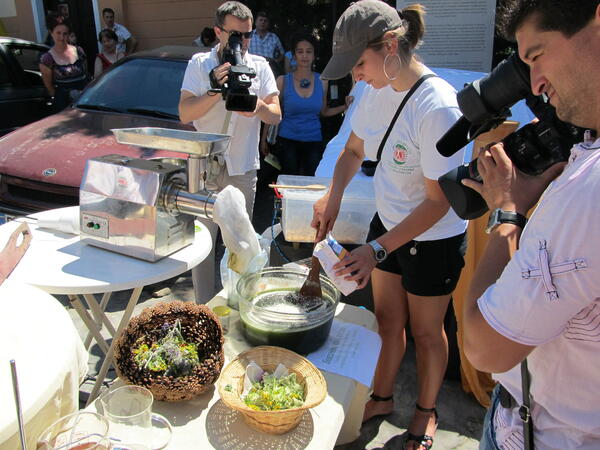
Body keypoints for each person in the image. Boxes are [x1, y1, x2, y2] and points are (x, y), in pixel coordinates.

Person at [311, 2, 467, 449]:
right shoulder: (375, 90)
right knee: (386, 320)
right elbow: (353, 152)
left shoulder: (438, 108)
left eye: (359, 63)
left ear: (391, 46)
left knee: (425, 332)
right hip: (389, 224)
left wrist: (376, 249)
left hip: (433, 237)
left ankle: (425, 410)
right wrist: (333, 196)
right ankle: (381, 398)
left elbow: (439, 204)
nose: (356, 76)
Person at [461, 1, 600, 448]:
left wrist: (506, 212)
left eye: (537, 55)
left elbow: (483, 347)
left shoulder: (588, 193)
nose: (536, 84)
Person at [178, 0, 281, 303]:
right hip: (204, 167)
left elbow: (275, 115)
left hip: (242, 166)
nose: (242, 42)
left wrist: (256, 105)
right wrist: (213, 89)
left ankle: (238, 303)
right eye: (235, 35)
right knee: (202, 241)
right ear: (218, 32)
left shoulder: (259, 66)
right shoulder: (199, 64)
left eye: (247, 35)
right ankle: (202, 306)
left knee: (240, 242)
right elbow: (185, 113)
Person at [263, 33, 350, 176]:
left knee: (312, 183)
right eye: (300, 51)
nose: (304, 56)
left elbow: (324, 111)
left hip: (313, 140)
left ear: (314, 55)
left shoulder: (323, 81)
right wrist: (263, 140)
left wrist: (346, 107)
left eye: (308, 51)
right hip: (287, 139)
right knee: (288, 182)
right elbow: (272, 111)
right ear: (294, 55)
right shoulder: (283, 81)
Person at [39, 16, 89, 113]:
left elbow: (85, 73)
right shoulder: (46, 59)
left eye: (65, 34)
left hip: (83, 101)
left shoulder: (79, 51)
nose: (62, 37)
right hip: (63, 105)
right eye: (58, 33)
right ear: (51, 33)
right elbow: (49, 87)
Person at [248, 11, 284, 76]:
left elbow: (282, 53)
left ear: (268, 24)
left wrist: (276, 62)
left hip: (270, 69)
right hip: (252, 68)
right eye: (261, 20)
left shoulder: (274, 37)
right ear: (255, 22)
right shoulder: (249, 35)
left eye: (265, 21)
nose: (263, 22)